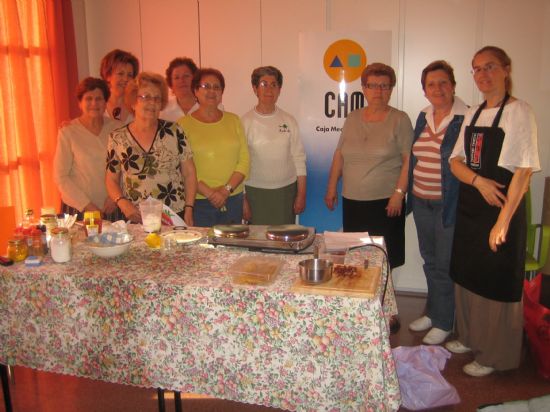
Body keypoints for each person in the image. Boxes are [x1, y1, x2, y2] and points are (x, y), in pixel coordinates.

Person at [446, 46, 540, 377]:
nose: (483, 75)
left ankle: (496, 355)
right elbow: (455, 161)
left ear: (506, 69)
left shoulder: (519, 112)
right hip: (472, 206)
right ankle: (471, 338)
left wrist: (502, 222)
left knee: (496, 280)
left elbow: (524, 172)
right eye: (476, 69)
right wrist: (479, 182)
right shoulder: (473, 113)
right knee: (468, 274)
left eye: (489, 67)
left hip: (504, 208)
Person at [325, 63, 413, 269]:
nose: (378, 91)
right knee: (356, 258)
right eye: (373, 85)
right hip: (353, 202)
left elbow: (410, 160)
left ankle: (383, 301)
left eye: (384, 86)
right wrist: (331, 188)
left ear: (391, 89)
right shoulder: (352, 118)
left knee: (383, 260)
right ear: (364, 88)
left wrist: (399, 194)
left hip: (386, 203)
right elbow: (339, 154)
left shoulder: (400, 119)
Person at [406, 61, 468, 345]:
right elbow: (414, 156)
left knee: (444, 264)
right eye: (431, 84)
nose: (438, 89)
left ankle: (445, 321)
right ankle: (434, 312)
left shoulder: (466, 117)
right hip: (421, 201)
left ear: (453, 85)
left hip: (448, 204)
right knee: (429, 260)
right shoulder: (423, 115)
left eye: (443, 82)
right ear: (424, 90)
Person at [105, 72, 197, 226]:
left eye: (157, 98)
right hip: (136, 216)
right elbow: (111, 180)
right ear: (133, 102)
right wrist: (122, 203)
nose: (152, 103)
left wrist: (189, 209)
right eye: (145, 97)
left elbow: (189, 173)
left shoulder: (175, 131)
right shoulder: (117, 138)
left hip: (173, 215)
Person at [178, 68, 250, 227]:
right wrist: (209, 193)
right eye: (206, 86)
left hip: (232, 198)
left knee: (232, 248)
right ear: (195, 91)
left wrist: (225, 190)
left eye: (217, 87)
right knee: (202, 250)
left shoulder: (234, 120)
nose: (212, 91)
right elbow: (181, 169)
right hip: (199, 201)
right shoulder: (182, 125)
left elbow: (244, 160)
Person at [241, 66, 307, 225]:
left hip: (285, 192)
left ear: (279, 89)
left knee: (283, 244)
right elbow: (240, 164)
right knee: (258, 242)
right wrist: (243, 200)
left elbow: (299, 158)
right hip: (255, 193)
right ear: (255, 88)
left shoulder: (289, 120)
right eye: (264, 84)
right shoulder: (244, 122)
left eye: (274, 84)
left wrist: (301, 194)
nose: (269, 89)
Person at [53, 77, 123, 220]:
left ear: (105, 102)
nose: (94, 103)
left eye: (99, 99)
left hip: (112, 206)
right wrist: (87, 205)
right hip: (79, 209)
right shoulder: (68, 132)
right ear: (80, 103)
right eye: (88, 99)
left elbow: (127, 168)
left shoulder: (118, 129)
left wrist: (115, 196)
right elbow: (60, 176)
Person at [100, 49, 140, 123]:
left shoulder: (138, 105)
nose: (125, 79)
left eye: (129, 75)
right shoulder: (98, 105)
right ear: (108, 75)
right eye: (120, 74)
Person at [160, 57, 199, 121]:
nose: (182, 80)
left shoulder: (207, 106)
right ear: (171, 83)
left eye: (186, 76)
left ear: (195, 79)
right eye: (176, 77)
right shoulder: (163, 110)